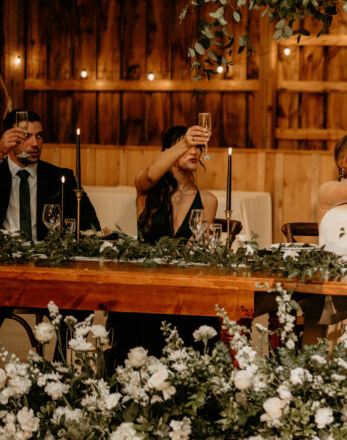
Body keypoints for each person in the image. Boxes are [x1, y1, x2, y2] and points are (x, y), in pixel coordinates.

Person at [107, 125, 219, 364]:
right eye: (186, 146)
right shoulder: (145, 193)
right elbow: (149, 174)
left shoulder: (208, 200)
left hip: (184, 291)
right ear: (168, 152)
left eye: (198, 147)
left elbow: (197, 250)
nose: (194, 152)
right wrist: (184, 143)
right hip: (144, 289)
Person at [0, 109, 100, 239]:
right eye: (26, 136)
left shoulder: (62, 178)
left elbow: (92, 227)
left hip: (47, 256)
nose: (35, 143)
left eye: (39, 136)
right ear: (9, 139)